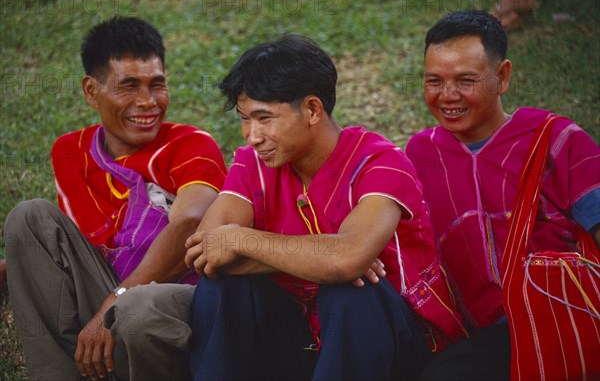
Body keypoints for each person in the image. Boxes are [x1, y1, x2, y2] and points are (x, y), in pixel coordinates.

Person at [184, 34, 468, 380]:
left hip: (395, 346)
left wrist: (242, 240)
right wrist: (321, 257)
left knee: (351, 290)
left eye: (264, 118)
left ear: (313, 110)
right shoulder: (252, 164)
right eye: (245, 118)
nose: (252, 135)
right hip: (301, 339)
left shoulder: (381, 162)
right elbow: (207, 252)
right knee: (223, 286)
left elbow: (345, 260)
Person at [4, 16, 227, 380]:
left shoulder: (190, 144)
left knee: (137, 309)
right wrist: (13, 264)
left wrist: (117, 298)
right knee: (29, 217)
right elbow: (80, 243)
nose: (147, 102)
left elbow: (190, 221)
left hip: (168, 301)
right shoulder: (70, 151)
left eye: (157, 85)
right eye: (128, 86)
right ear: (91, 91)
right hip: (109, 289)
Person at [405, 10, 600, 379]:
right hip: (483, 335)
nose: (448, 96)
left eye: (466, 80)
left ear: (503, 76)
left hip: (565, 316)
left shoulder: (555, 138)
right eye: (434, 81)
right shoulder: (418, 155)